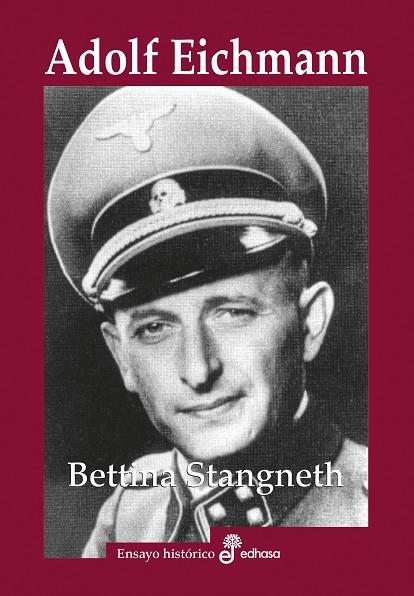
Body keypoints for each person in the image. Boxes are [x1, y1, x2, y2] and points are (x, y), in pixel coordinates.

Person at [47, 86, 367, 558]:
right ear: (121, 356)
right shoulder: (131, 515)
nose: (198, 370)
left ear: (310, 321)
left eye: (233, 313)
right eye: (154, 328)